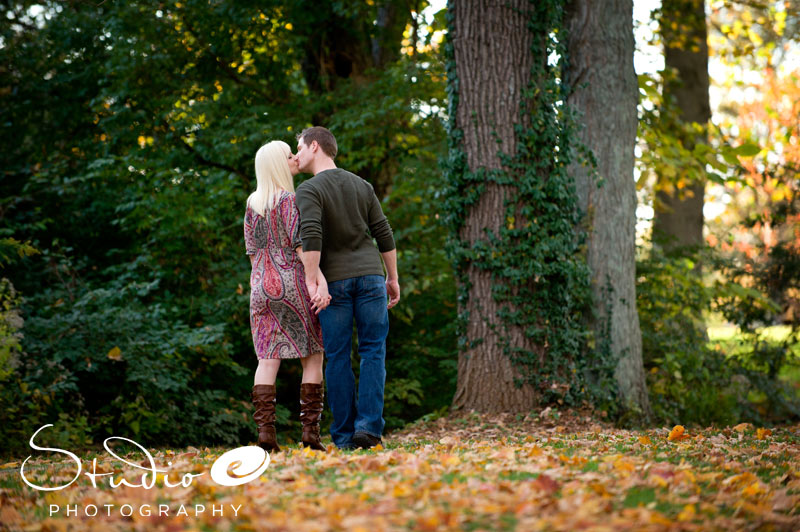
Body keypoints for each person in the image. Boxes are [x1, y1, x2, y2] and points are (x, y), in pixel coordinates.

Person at [292, 126, 400, 450]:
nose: (297, 155)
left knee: (337, 357)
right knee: (373, 351)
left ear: (315, 146)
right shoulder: (361, 185)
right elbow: (383, 231)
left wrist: (312, 280)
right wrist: (392, 277)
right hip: (370, 277)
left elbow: (311, 234)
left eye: (300, 147)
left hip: (334, 283)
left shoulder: (309, 190)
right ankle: (368, 428)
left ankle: (343, 437)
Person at [243, 140, 331, 453]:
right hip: (293, 282)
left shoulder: (252, 204)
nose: (294, 158)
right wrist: (319, 282)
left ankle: (266, 436)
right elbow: (301, 247)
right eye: (289, 155)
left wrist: (264, 280)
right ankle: (310, 434)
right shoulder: (291, 201)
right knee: (313, 354)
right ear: (280, 165)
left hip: (261, 287)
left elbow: (253, 256)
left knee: (267, 359)